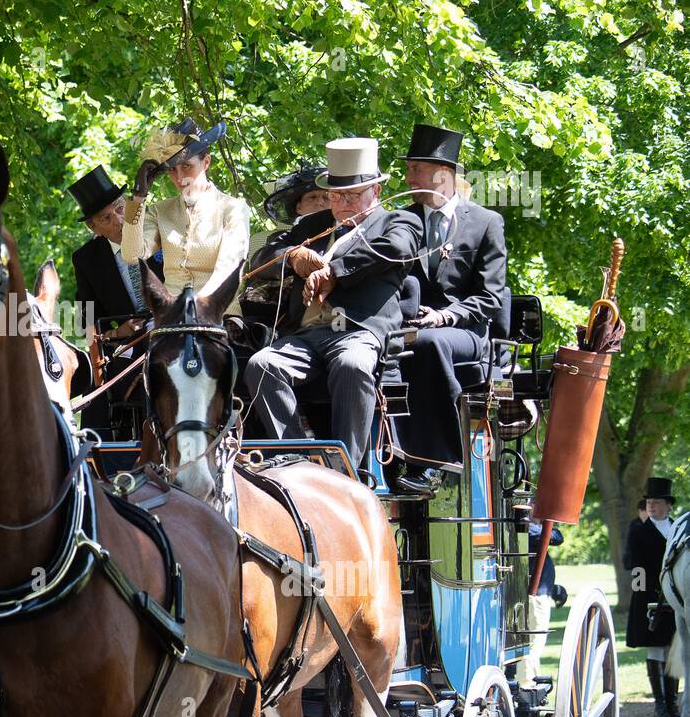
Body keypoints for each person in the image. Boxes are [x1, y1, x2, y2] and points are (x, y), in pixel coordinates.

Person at [244, 137, 422, 472]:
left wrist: (334, 273)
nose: (343, 202)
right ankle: (296, 460)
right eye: (336, 195)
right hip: (307, 335)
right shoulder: (314, 224)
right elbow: (261, 256)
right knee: (261, 364)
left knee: (353, 365)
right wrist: (292, 256)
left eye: (354, 195)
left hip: (359, 332)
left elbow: (396, 249)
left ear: (377, 192)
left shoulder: (400, 221)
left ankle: (345, 471)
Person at [392, 124, 508, 493]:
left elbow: (491, 297)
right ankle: (378, 457)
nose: (407, 176)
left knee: (429, 343)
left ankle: (433, 461)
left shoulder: (486, 223)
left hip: (466, 333)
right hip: (407, 325)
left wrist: (445, 316)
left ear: (442, 175)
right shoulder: (402, 219)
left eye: (415, 169)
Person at [121, 117, 252, 316]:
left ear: (206, 162)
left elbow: (227, 270)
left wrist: (194, 308)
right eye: (172, 170)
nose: (179, 178)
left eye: (187, 166)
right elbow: (131, 255)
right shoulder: (159, 210)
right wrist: (138, 197)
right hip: (170, 319)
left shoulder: (233, 209)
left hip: (219, 314)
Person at [69, 165, 163, 434]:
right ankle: (96, 459)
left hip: (168, 327)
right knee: (93, 384)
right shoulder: (86, 259)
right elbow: (86, 319)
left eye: (120, 209)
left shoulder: (156, 233)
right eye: (106, 218)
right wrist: (115, 332)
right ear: (93, 227)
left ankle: (154, 438)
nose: (119, 221)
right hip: (124, 340)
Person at [624, 477, 680, 717]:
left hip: (676, 597)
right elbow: (634, 565)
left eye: (657, 502)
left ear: (668, 506)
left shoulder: (678, 529)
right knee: (656, 648)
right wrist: (641, 595)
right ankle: (660, 704)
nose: (651, 506)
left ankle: (673, 703)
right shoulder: (639, 531)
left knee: (673, 650)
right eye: (649, 502)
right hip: (649, 596)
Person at [520, 521, 564, 684]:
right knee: (533, 642)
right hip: (534, 596)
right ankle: (526, 683)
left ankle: (528, 679)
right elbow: (556, 537)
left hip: (538, 592)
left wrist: (553, 590)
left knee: (533, 643)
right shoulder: (529, 528)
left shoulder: (531, 529)